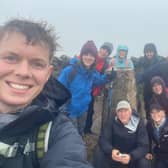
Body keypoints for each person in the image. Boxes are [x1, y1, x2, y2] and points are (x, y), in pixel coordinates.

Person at [0, 19, 93, 168]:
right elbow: (63, 87)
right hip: (71, 110)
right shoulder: (71, 71)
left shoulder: (57, 133)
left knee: (80, 131)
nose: (23, 72)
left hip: (82, 109)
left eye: (37, 64)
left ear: (48, 73)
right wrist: (65, 109)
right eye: (10, 58)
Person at [58, 41, 115, 135]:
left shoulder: (92, 72)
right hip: (69, 112)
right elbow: (58, 90)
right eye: (86, 54)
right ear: (81, 55)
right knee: (71, 136)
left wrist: (108, 77)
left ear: (94, 58)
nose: (89, 58)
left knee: (80, 133)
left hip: (83, 110)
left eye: (92, 56)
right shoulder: (69, 71)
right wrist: (63, 110)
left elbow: (99, 81)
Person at [94, 100, 149, 168]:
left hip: (131, 157)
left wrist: (131, 156)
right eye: (120, 111)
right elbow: (103, 139)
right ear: (116, 113)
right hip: (115, 155)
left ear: (130, 112)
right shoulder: (112, 120)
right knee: (99, 152)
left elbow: (143, 146)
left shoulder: (139, 123)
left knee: (144, 162)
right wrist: (111, 151)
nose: (123, 114)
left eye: (126, 110)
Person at [84, 42, 113, 134]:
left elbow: (103, 79)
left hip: (94, 91)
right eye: (103, 49)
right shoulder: (90, 58)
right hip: (84, 89)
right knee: (82, 111)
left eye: (107, 51)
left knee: (90, 111)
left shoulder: (106, 65)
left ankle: (87, 131)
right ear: (99, 49)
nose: (104, 52)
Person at [133, 43, 165, 119]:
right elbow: (133, 61)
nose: (149, 54)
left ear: (154, 52)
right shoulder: (142, 60)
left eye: (151, 52)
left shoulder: (160, 60)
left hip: (158, 88)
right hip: (147, 89)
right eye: (147, 52)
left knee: (160, 108)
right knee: (149, 109)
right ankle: (150, 126)